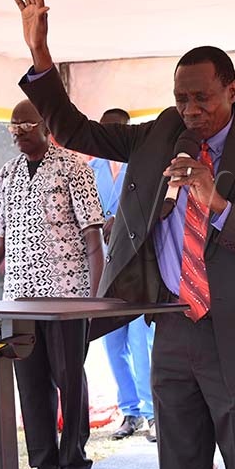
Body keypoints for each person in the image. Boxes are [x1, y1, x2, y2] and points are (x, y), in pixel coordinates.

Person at [11, 0, 235, 469]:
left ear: (232, 90)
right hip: (172, 330)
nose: (191, 109)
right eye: (181, 98)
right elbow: (77, 132)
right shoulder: (160, 133)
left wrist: (217, 206)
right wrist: (41, 53)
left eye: (202, 98)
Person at [0, 100, 105, 469]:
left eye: (25, 125)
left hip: (67, 297)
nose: (17, 133)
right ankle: (45, 467)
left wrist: (94, 300)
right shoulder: (7, 174)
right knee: (29, 384)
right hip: (20, 298)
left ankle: (75, 465)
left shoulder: (73, 168)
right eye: (13, 127)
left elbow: (93, 239)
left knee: (69, 379)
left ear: (45, 125)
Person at [89, 108, 157, 442]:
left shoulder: (143, 165)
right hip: (103, 267)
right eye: (104, 131)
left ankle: (152, 412)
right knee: (111, 341)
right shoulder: (90, 170)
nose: (109, 138)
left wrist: (120, 220)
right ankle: (130, 411)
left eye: (115, 131)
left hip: (136, 266)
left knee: (140, 339)